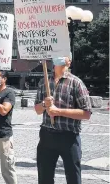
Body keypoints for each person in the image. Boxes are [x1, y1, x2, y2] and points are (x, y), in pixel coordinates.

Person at [34, 54, 92, 184]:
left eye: (63, 55)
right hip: (46, 136)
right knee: (44, 178)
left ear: (69, 62)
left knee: (73, 177)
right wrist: (44, 104)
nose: (59, 57)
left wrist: (58, 111)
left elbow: (86, 113)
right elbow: (37, 110)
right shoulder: (44, 81)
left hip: (69, 137)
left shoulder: (76, 82)